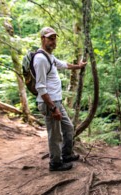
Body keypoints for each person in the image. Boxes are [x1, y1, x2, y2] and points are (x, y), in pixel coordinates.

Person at [35, 27, 87, 171]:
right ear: (42, 39)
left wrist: (78, 66)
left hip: (56, 101)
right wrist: (52, 108)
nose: (53, 41)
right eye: (50, 38)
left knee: (68, 128)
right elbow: (40, 87)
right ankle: (55, 163)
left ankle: (66, 154)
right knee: (55, 134)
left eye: (54, 38)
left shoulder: (49, 56)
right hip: (49, 103)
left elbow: (63, 64)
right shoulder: (40, 59)